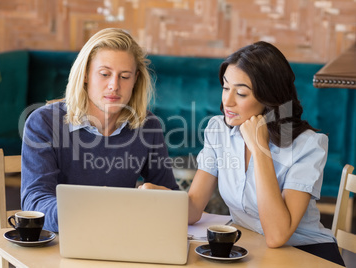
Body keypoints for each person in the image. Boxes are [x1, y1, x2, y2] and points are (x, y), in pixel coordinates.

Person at [187, 41, 345, 266]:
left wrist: (261, 150)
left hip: (307, 252)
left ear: (269, 98)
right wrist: (157, 198)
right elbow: (193, 209)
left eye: (241, 93)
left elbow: (277, 236)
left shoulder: (308, 145)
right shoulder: (218, 129)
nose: (227, 101)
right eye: (225, 87)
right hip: (251, 246)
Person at [21, 28, 179, 233]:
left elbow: (170, 195)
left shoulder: (147, 126)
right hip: (61, 240)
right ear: (86, 74)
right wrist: (84, 211)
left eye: (124, 76)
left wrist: (161, 198)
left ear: (135, 80)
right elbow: (35, 202)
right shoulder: (44, 123)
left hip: (120, 238)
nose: (114, 85)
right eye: (105, 74)